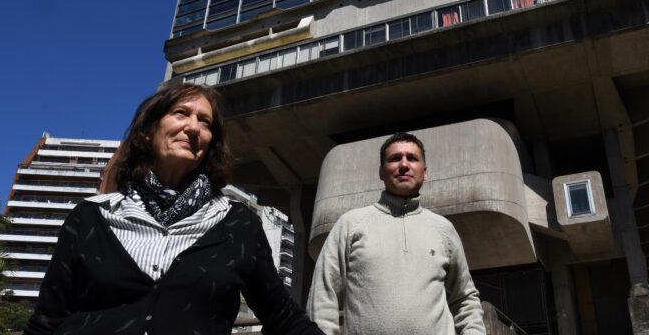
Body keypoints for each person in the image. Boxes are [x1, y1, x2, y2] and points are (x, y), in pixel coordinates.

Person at [26, 84, 322, 335]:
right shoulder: (91, 217)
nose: (193, 127)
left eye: (205, 122)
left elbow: (283, 317)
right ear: (147, 133)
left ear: (210, 145)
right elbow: (46, 322)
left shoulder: (237, 224)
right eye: (181, 113)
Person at [306, 132, 486, 335]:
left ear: (424, 172)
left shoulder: (444, 229)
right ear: (381, 172)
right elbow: (323, 296)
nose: (404, 164)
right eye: (394, 159)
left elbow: (465, 299)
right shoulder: (350, 224)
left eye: (412, 158)